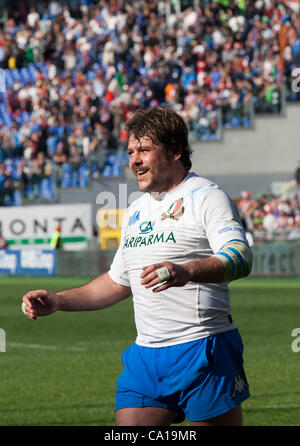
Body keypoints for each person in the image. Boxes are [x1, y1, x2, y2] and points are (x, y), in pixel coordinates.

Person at [22, 106, 253, 427]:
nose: (134, 160)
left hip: (203, 348)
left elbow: (240, 257)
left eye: (144, 150)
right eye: (131, 151)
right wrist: (59, 300)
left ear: (174, 151)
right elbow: (118, 282)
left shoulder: (206, 197)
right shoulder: (135, 210)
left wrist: (188, 271)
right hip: (146, 357)